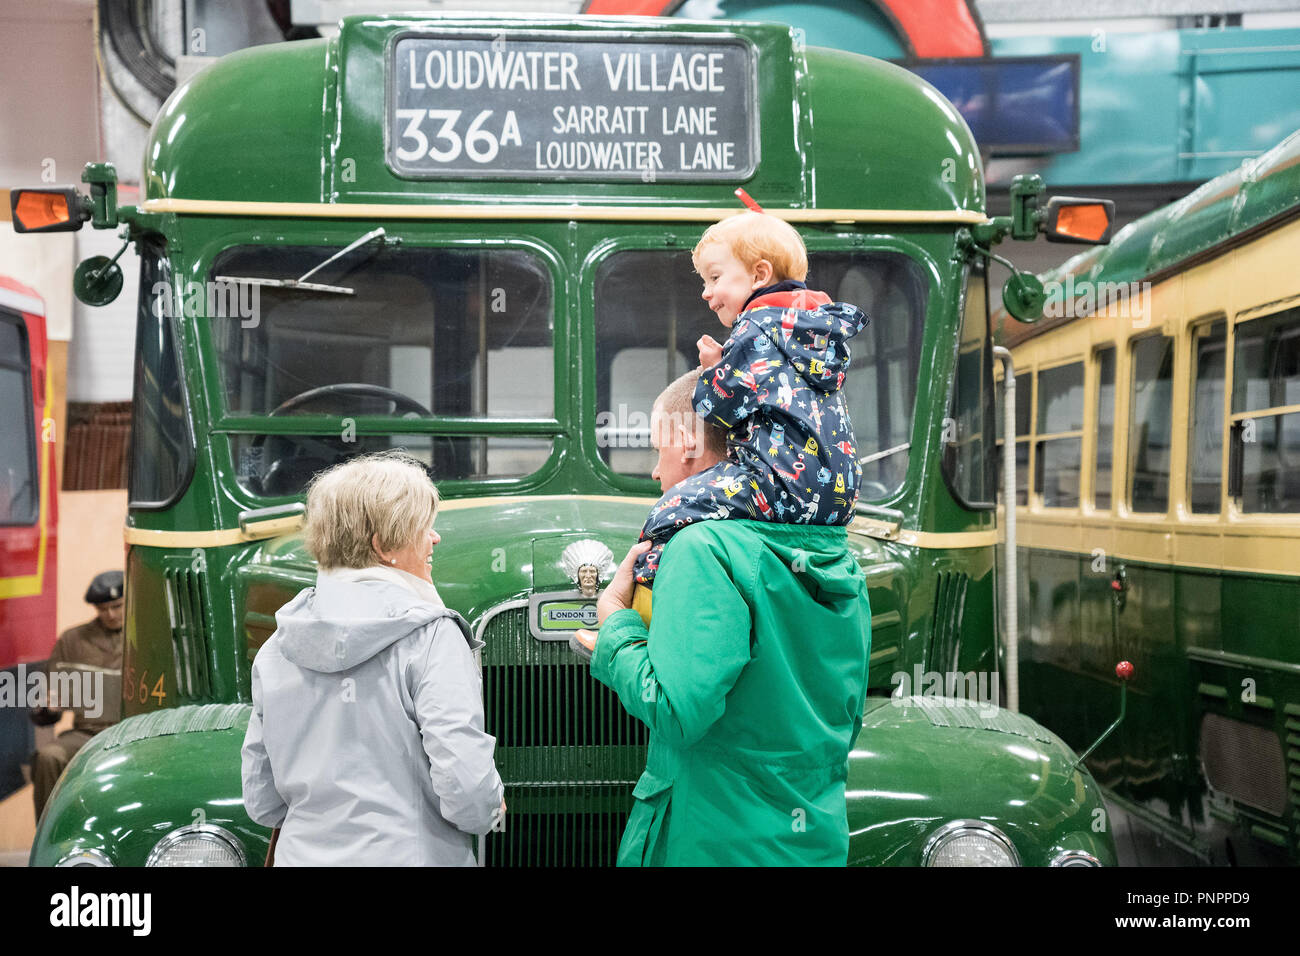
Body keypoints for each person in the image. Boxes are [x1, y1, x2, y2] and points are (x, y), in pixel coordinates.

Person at [574, 377, 872, 866]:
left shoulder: (702, 548)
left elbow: (677, 710)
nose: (655, 471)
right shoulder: (836, 553)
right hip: (809, 840)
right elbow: (846, 715)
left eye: (658, 449)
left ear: (688, 441)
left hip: (713, 840)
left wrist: (615, 628)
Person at [240, 451, 504, 866]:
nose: (435, 538)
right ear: (383, 546)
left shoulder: (277, 645)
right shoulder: (432, 636)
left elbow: (263, 802)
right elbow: (468, 793)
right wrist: (492, 807)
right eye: (423, 527)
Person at [632, 210, 869, 587]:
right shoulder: (813, 333)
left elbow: (714, 408)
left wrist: (714, 370)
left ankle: (646, 584)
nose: (706, 292)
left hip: (776, 483)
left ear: (759, 275)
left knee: (674, 505)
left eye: (714, 277)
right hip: (838, 500)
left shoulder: (757, 325)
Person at [30, 570, 124, 821]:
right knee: (49, 757)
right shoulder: (73, 640)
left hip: (135, 732)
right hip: (88, 733)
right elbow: (43, 710)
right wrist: (48, 707)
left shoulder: (149, 634)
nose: (111, 615)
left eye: (117, 606)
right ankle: (48, 840)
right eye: (103, 609)